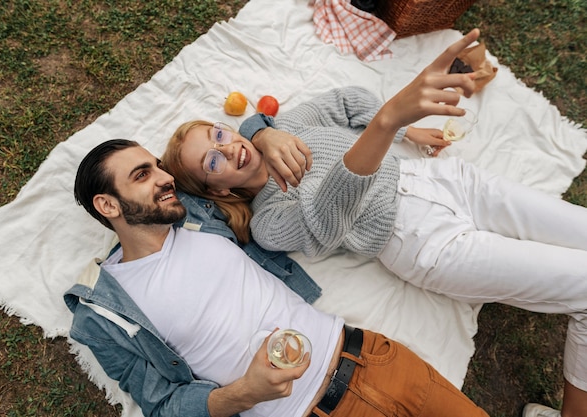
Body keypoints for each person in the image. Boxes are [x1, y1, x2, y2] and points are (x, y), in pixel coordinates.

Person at [161, 28, 587, 417]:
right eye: (211, 161)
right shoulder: (267, 224)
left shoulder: (287, 128)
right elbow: (329, 216)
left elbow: (345, 102)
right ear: (216, 191)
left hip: (448, 181)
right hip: (423, 242)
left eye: (219, 135)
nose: (227, 148)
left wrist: (406, 134)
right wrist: (388, 123)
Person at [64, 138, 489, 417]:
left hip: (374, 358)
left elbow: (229, 143)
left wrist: (264, 137)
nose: (164, 177)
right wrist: (245, 392)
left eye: (157, 166)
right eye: (142, 175)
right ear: (108, 205)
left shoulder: (195, 212)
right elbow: (161, 406)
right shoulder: (101, 316)